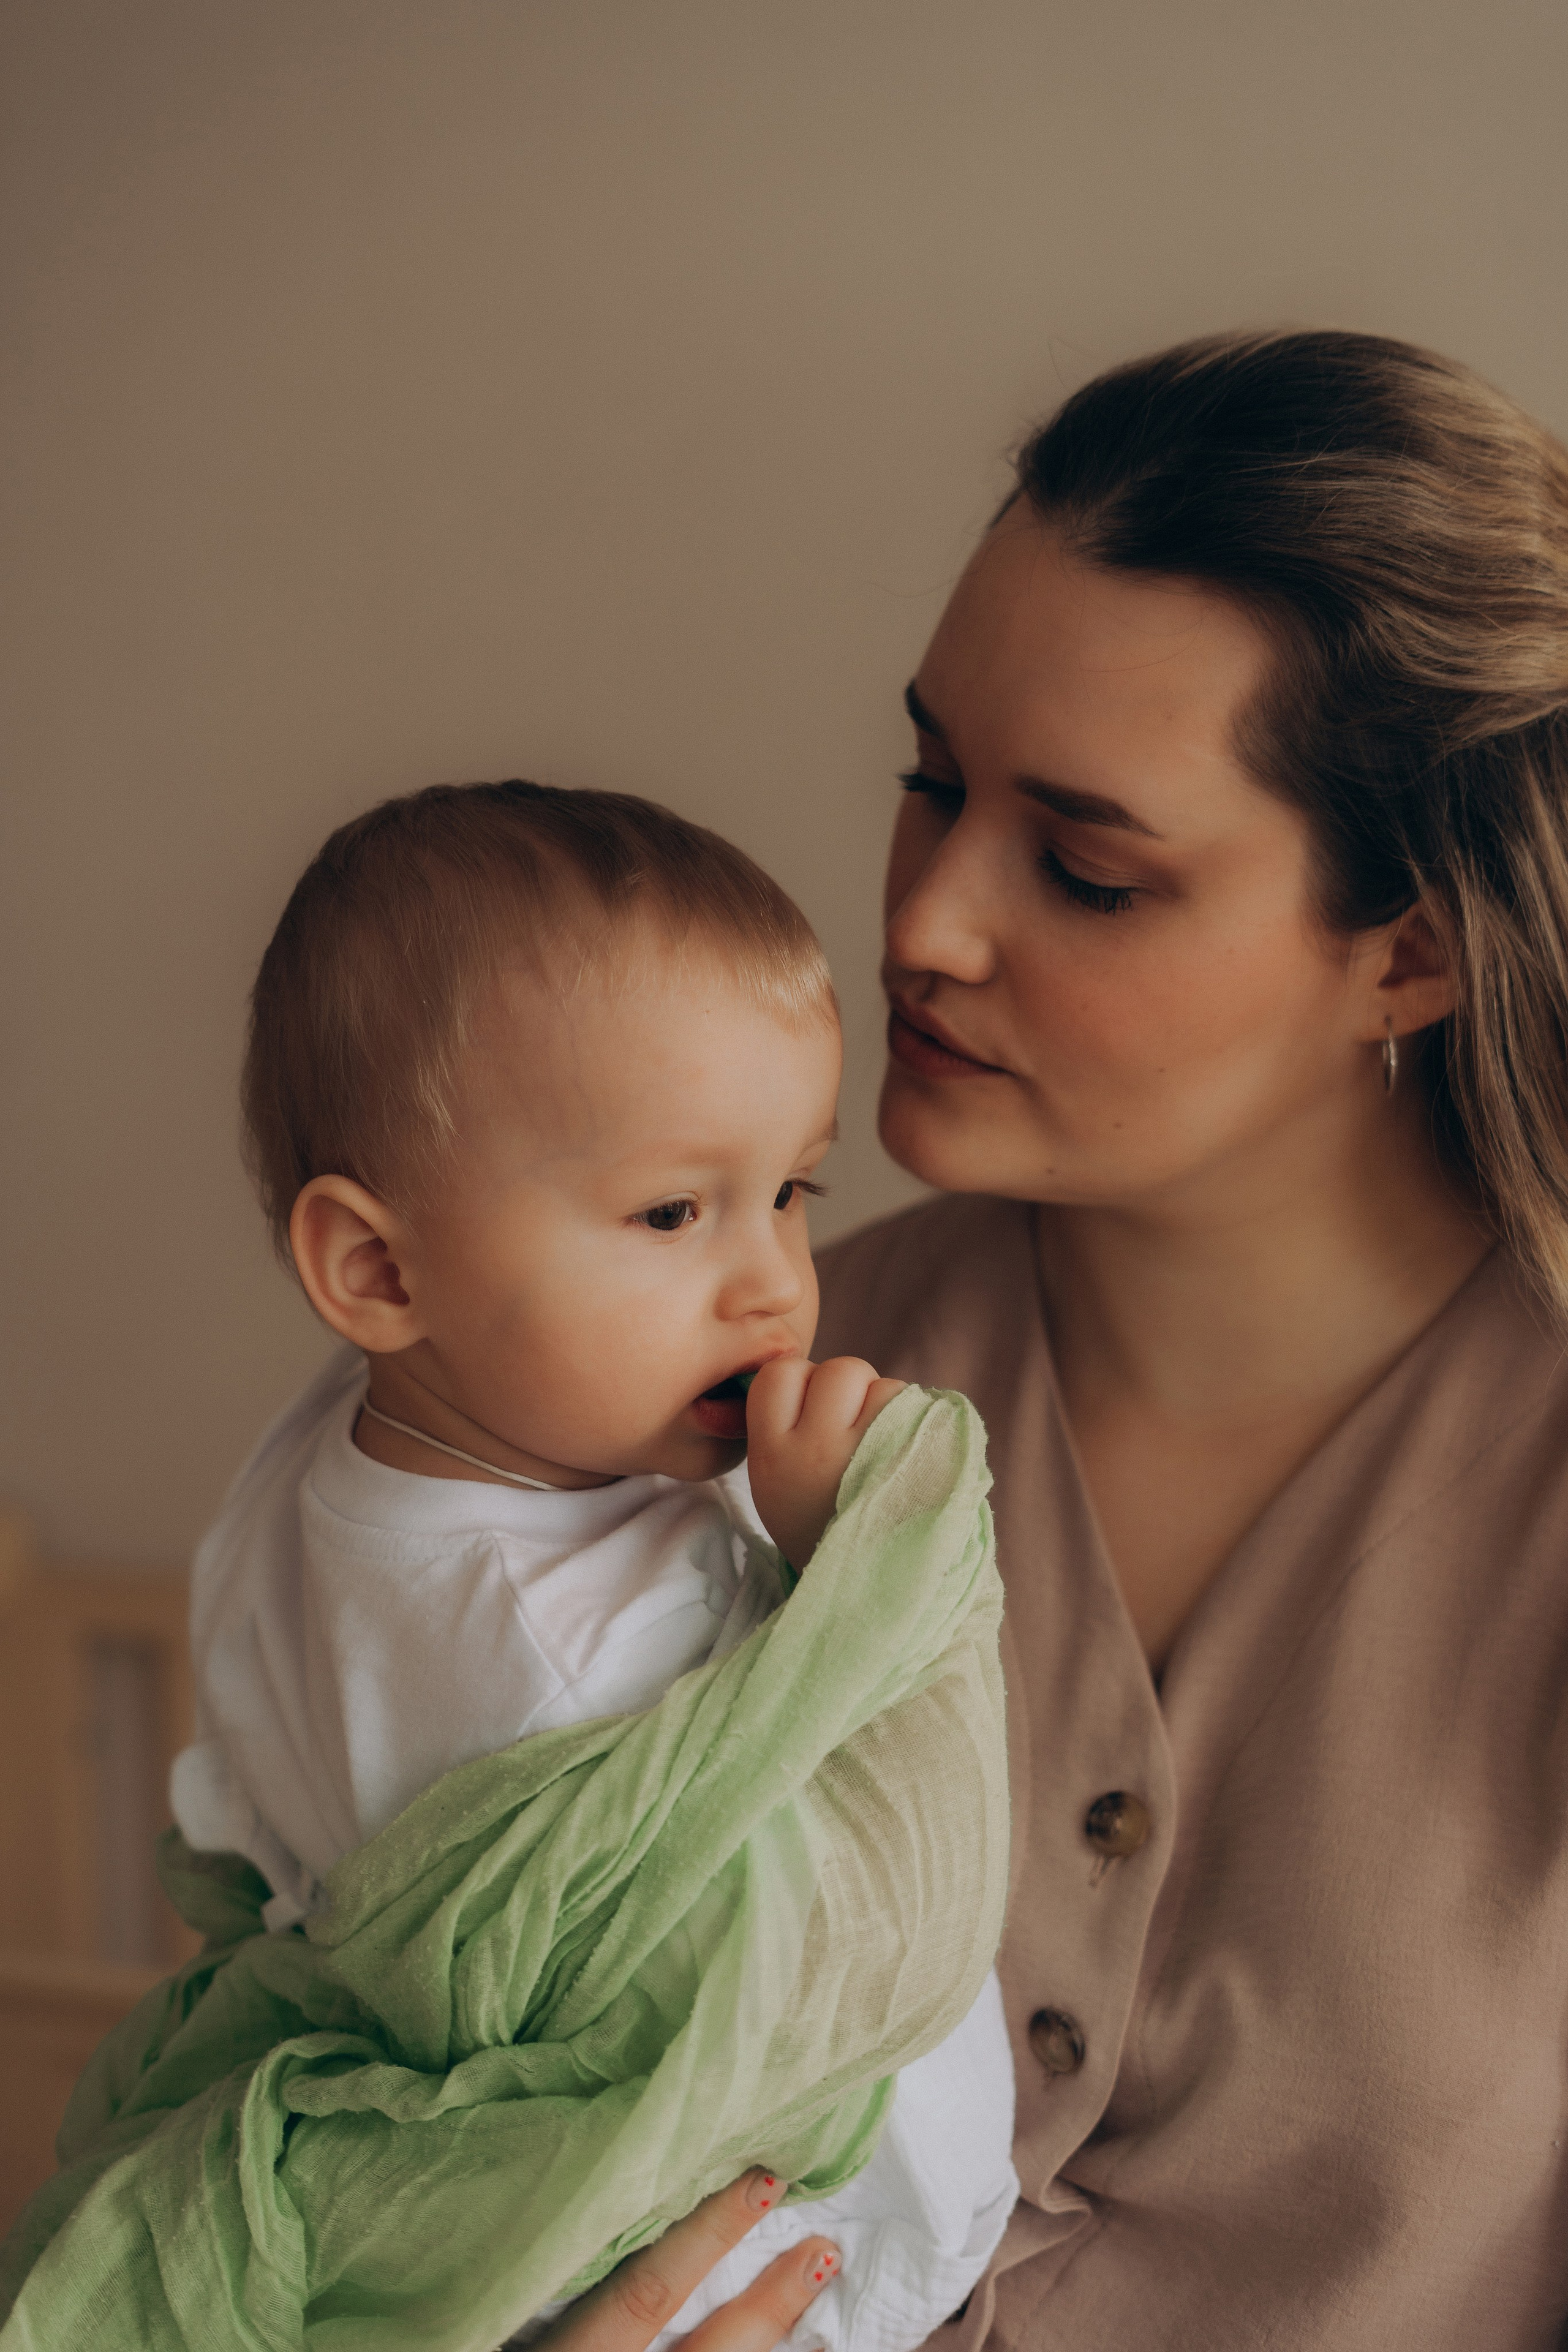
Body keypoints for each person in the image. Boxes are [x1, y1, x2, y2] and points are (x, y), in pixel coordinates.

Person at [543, 329, 1568, 2352]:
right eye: (933, 780)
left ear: (1413, 951)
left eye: (1090, 873)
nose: (922, 921)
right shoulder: (706, 1378)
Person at [115, 782, 1013, 2351]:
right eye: (672, 1211)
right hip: (760, 2248)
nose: (775, 1289)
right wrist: (847, 1572)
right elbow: (784, 1923)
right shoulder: (584, 1629)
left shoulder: (304, 1476)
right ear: (378, 1269)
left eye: (791, 1194)